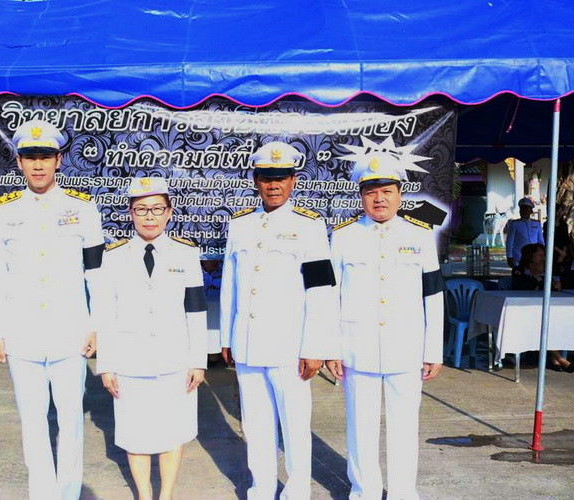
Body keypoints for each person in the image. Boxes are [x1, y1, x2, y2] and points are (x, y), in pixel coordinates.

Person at [0, 119, 105, 500]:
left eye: (46, 156)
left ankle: (68, 493)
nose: (38, 164)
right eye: (30, 156)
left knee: (71, 421)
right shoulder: (4, 211)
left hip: (70, 333)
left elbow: (96, 273)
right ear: (19, 162)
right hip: (22, 334)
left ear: (59, 160)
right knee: (33, 422)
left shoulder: (82, 208)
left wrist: (96, 325)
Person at [220, 141, 336, 499]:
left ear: (293, 180)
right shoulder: (240, 225)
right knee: (255, 424)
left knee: (295, 424)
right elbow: (230, 285)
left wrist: (315, 346)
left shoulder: (310, 227)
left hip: (289, 346)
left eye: (281, 177)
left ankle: (297, 491)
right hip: (247, 343)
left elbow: (321, 290)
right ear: (256, 180)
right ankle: (262, 488)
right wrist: (227, 337)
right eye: (267, 178)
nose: (274, 185)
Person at [325, 156, 444, 500]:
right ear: (361, 196)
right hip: (356, 347)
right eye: (371, 192)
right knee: (360, 427)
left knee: (404, 426)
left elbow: (433, 295)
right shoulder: (343, 236)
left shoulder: (420, 235)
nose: (379, 198)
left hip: (405, 348)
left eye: (387, 191)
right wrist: (330, 347)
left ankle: (403, 492)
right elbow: (329, 295)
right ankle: (364, 491)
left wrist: (433, 350)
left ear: (399, 194)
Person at [96, 177, 208, 500]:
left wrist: (198, 361)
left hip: (175, 359)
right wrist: (106, 365)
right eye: (141, 209)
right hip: (129, 361)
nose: (149, 216)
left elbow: (196, 310)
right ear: (130, 213)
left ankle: (166, 493)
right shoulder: (113, 256)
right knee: (135, 433)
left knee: (174, 429)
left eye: (157, 209)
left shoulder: (186, 253)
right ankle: (144, 494)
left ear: (169, 212)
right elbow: (105, 312)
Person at [511, 243, 574, 372]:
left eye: (543, 255)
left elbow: (548, 291)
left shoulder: (545, 269)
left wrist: (555, 286)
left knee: (555, 321)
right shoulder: (519, 270)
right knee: (540, 323)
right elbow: (521, 289)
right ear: (530, 256)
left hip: (542, 308)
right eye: (539, 255)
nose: (543, 258)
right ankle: (559, 358)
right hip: (524, 310)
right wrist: (536, 276)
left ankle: (554, 357)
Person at [505, 197, 544, 268]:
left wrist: (542, 254)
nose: (524, 212)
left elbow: (540, 241)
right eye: (522, 209)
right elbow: (509, 242)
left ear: (531, 211)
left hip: (534, 257)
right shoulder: (514, 224)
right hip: (519, 257)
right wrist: (509, 256)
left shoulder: (536, 223)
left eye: (527, 209)